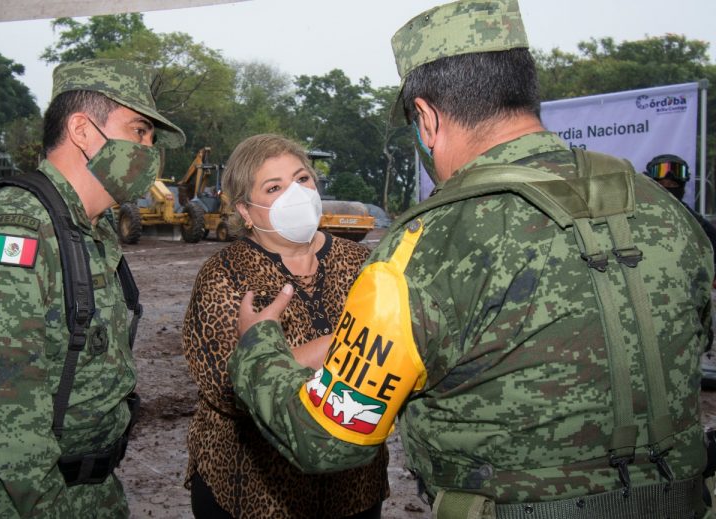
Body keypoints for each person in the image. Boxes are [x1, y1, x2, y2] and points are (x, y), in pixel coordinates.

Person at [227, 2, 716, 518]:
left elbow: (327, 438)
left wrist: (258, 346)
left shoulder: (425, 247)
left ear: (427, 119)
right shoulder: (662, 208)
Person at [0, 59, 185, 517]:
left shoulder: (89, 229)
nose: (149, 150)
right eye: (139, 131)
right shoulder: (16, 232)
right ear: (82, 129)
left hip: (91, 493)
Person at [182, 133, 389, 518]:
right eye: (274, 187)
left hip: (353, 487)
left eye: (302, 179)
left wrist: (281, 356)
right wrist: (343, 344)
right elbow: (229, 389)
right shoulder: (225, 275)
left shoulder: (365, 263)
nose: (296, 194)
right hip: (254, 491)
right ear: (245, 210)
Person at [644, 153, 716, 274]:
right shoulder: (637, 213)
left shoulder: (693, 220)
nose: (667, 189)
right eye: (662, 185)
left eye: (672, 185)